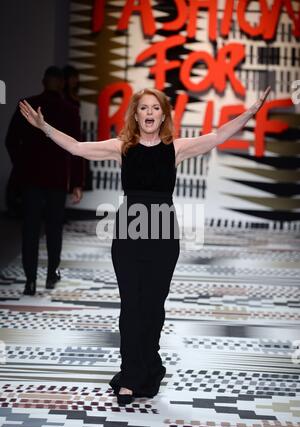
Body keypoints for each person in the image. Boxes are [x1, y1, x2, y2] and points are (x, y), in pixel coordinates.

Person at [19, 85, 271, 404]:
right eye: (143, 108)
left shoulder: (175, 148)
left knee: (153, 308)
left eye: (154, 108)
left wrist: (251, 112)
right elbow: (77, 147)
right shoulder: (122, 146)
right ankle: (131, 375)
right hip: (129, 233)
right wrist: (44, 127)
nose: (149, 113)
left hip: (163, 234)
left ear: (163, 115)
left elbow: (218, 135)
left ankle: (148, 366)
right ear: (135, 115)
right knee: (131, 307)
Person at [6, 66, 85, 296]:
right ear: (61, 84)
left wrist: (21, 165)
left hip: (31, 177)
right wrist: (77, 182)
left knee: (30, 229)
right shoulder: (70, 110)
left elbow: (11, 140)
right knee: (53, 229)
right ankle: (51, 275)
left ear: (43, 81)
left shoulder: (27, 105)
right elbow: (76, 148)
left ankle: (30, 281)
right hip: (57, 179)